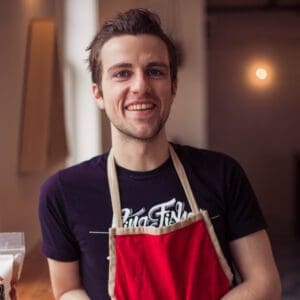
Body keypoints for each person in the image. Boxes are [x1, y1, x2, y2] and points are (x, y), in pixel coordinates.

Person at [39, 8, 281, 300]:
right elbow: (67, 289)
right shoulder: (63, 192)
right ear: (98, 94)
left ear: (173, 86)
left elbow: (265, 283)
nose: (140, 86)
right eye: (122, 73)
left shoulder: (223, 174)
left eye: (155, 71)